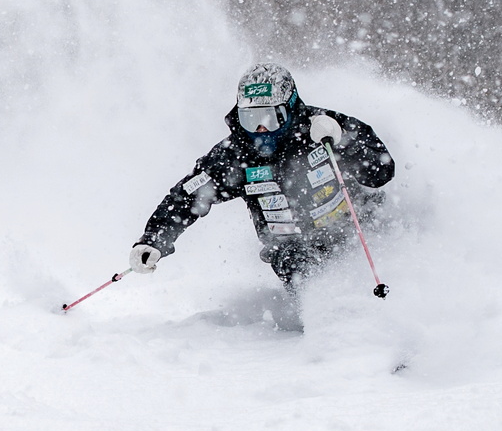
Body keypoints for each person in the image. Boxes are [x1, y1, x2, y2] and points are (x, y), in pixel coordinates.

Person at [129, 63, 394, 330]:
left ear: (290, 108)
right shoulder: (235, 155)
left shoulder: (324, 128)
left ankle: (390, 318)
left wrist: (342, 142)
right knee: (299, 268)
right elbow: (187, 197)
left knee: (383, 248)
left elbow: (382, 171)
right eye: (249, 119)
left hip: (355, 228)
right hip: (292, 247)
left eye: (270, 117)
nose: (260, 129)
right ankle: (337, 330)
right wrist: (154, 238)